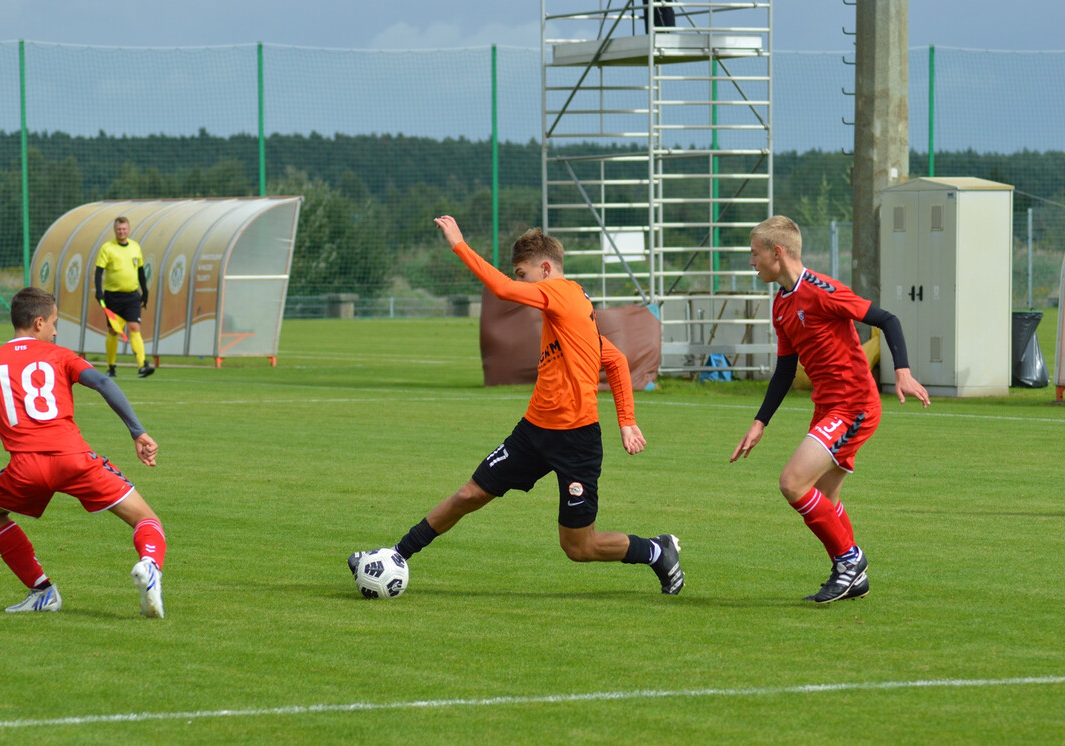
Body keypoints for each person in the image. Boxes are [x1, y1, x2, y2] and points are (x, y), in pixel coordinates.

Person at [349, 216, 684, 595]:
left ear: (545, 268)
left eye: (524, 274)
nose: (522, 282)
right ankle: (397, 555)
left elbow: (502, 288)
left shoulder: (561, 292)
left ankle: (657, 550)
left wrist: (459, 243)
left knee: (579, 547)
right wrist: (626, 420)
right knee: (469, 494)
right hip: (534, 432)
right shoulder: (567, 314)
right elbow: (615, 359)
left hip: (576, 441)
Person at [730, 215, 930, 603]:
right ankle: (852, 574)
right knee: (824, 495)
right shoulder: (780, 305)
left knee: (792, 483)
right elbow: (786, 369)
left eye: (754, 254)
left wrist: (902, 372)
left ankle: (849, 560)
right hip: (828, 407)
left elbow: (887, 319)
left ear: (777, 252)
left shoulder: (822, 291)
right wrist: (760, 423)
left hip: (853, 405)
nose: (751, 262)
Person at [0, 287, 167, 617]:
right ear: (38, 323)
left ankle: (42, 591)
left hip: (25, 468)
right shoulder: (60, 355)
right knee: (145, 519)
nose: (55, 330)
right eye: (53, 322)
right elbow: (104, 383)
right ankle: (149, 565)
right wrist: (138, 432)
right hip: (75, 460)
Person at [94, 216, 154, 378]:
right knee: (113, 331)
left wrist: (145, 291)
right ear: (115, 230)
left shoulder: (135, 247)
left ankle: (142, 365)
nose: (122, 231)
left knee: (134, 327)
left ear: (129, 230)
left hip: (132, 296)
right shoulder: (107, 248)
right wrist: (99, 291)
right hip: (113, 296)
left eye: (124, 229)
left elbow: (140, 271)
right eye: (119, 229)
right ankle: (111, 366)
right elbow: (99, 270)